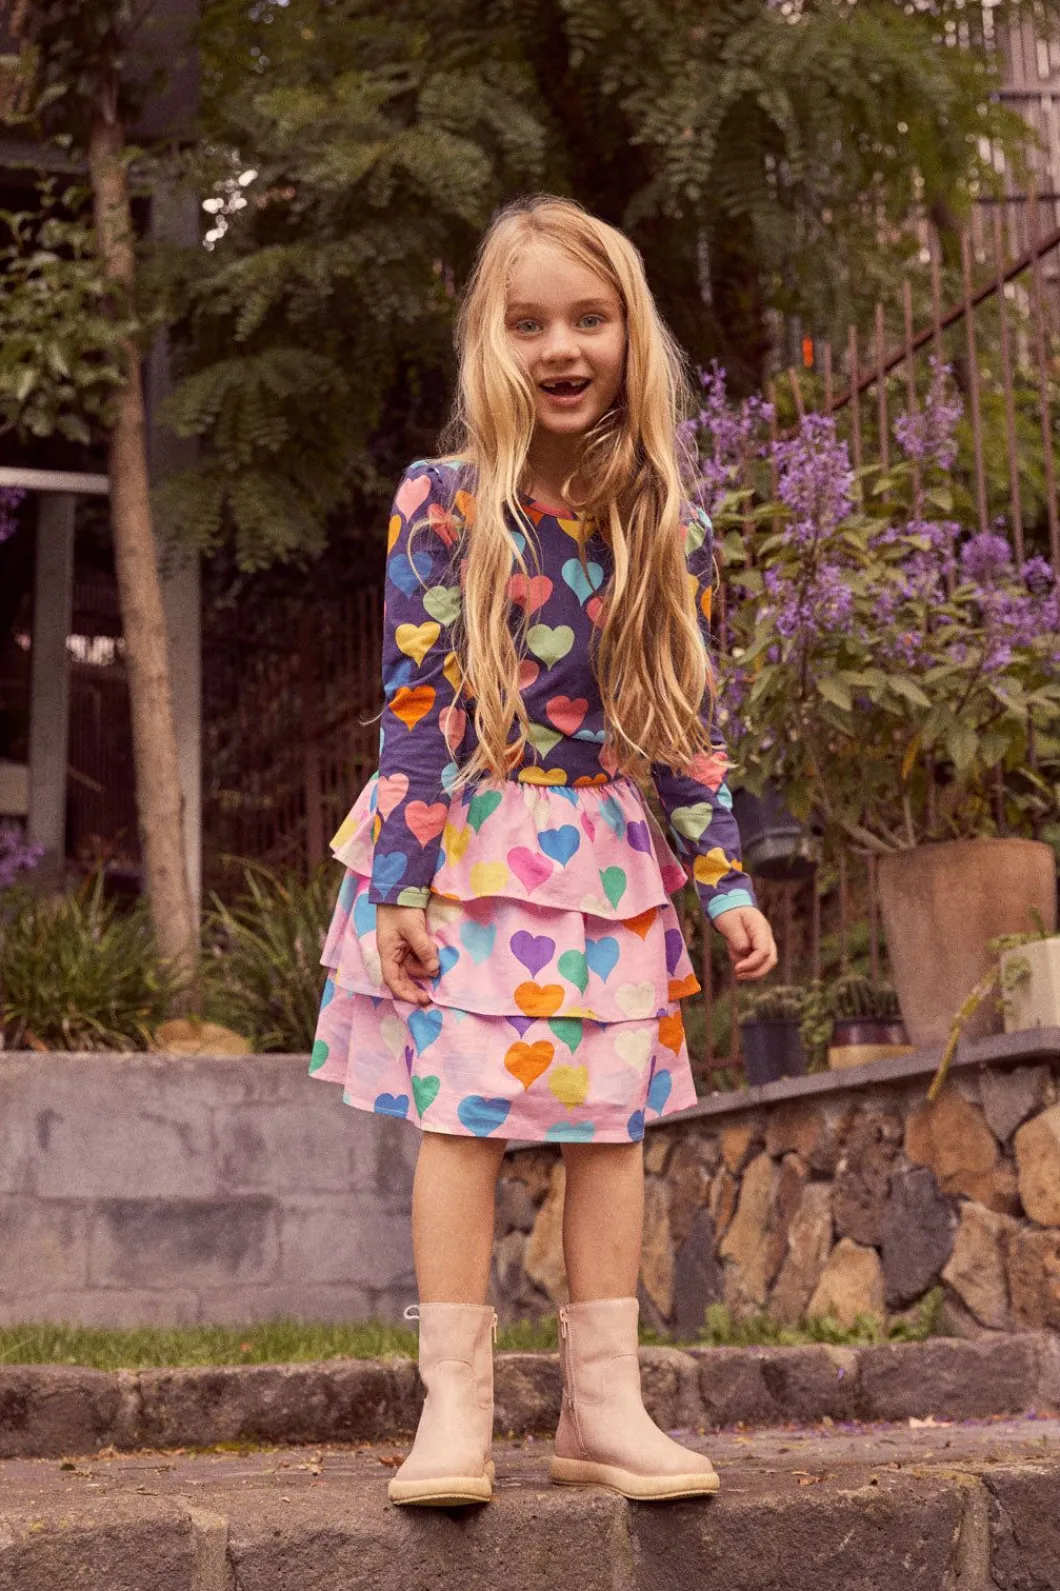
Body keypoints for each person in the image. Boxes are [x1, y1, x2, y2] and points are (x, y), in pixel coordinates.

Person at [310, 194, 777, 1508]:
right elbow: (416, 703)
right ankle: (454, 1410)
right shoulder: (444, 504)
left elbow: (682, 727)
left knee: (610, 1128)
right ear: (489, 342)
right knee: (460, 1124)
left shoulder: (667, 524)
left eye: (589, 318)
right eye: (529, 324)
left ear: (631, 335)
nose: (562, 347)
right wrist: (399, 882)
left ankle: (602, 1408)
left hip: (608, 870)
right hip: (467, 851)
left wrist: (723, 878)